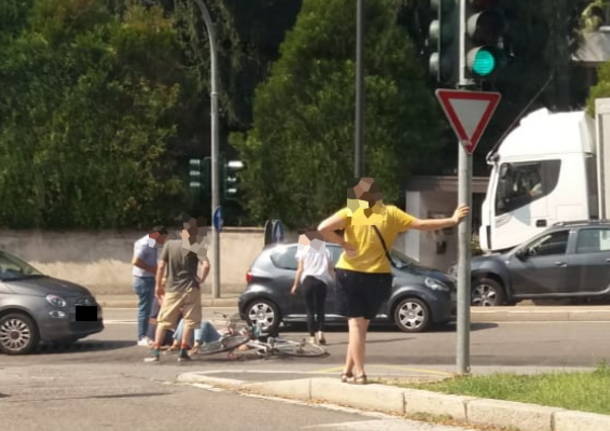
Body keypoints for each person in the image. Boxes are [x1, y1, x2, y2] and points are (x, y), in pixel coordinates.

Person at [317, 178, 469, 384]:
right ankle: (347, 371)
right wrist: (452, 220)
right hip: (378, 274)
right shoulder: (391, 213)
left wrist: (343, 243)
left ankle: (359, 372)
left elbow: (323, 227)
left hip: (349, 272)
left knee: (355, 325)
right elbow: (421, 225)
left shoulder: (352, 211)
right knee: (362, 326)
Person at [145, 216, 210, 363]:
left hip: (172, 288)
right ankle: (183, 352)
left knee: (164, 320)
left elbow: (161, 266)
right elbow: (206, 265)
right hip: (191, 288)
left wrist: (158, 286)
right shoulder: (196, 245)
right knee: (189, 321)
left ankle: (155, 352)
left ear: (180, 232)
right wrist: (201, 279)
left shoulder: (169, 245)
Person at [290, 229, 334, 345]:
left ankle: (312, 337)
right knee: (320, 309)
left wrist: (295, 285)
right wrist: (335, 281)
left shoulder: (304, 251)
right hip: (321, 282)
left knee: (310, 311)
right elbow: (330, 270)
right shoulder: (326, 251)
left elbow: (300, 270)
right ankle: (321, 333)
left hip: (308, 281)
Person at [131, 225, 168, 346]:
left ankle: (148, 335)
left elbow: (151, 261)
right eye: (164, 238)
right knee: (145, 310)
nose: (164, 241)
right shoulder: (145, 243)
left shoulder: (151, 243)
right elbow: (136, 261)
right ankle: (142, 337)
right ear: (158, 234)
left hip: (148, 278)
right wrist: (153, 270)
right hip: (143, 280)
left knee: (150, 309)